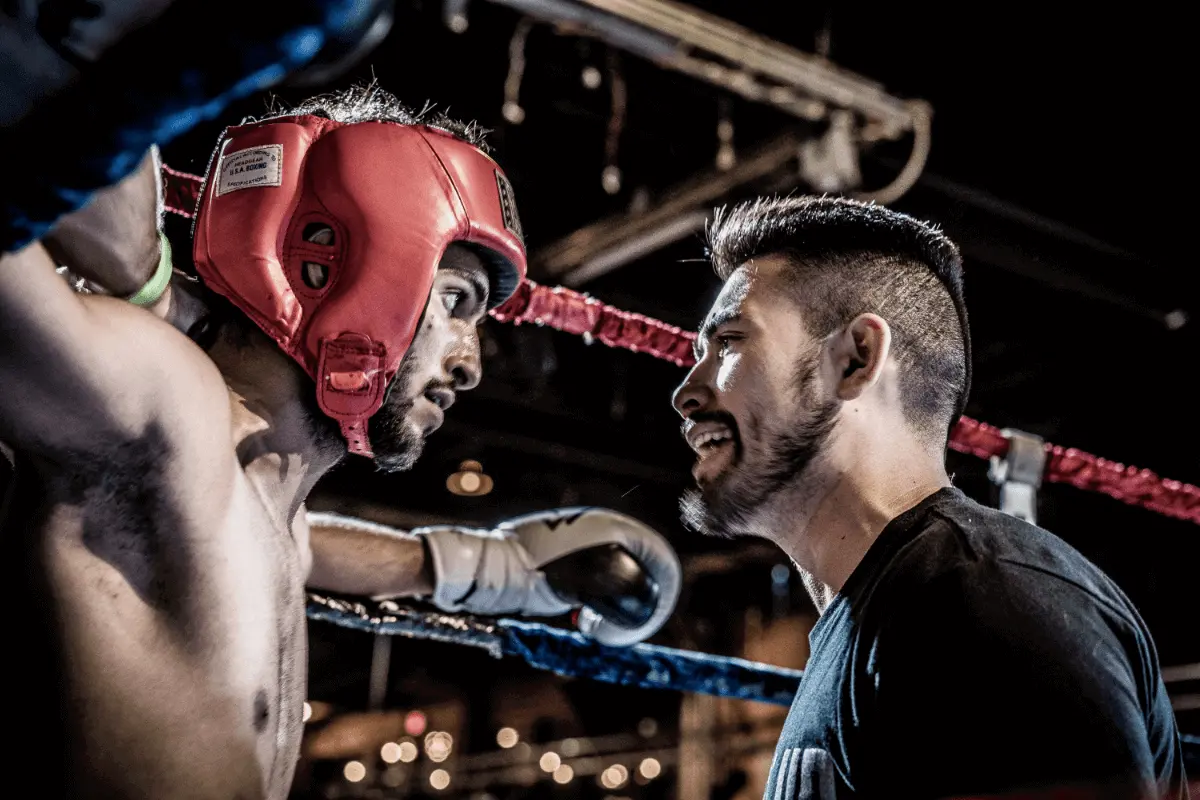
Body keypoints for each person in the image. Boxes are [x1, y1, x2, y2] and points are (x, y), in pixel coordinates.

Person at [0, 85, 680, 800]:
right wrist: (60, 68)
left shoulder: (258, 504)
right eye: (454, 302)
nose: (471, 364)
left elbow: (303, 549)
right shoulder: (168, 408)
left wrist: (493, 567)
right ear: (346, 264)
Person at [671, 195, 1187, 800]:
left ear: (856, 359)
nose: (686, 391)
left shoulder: (980, 602)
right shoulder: (892, 616)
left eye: (729, 340)